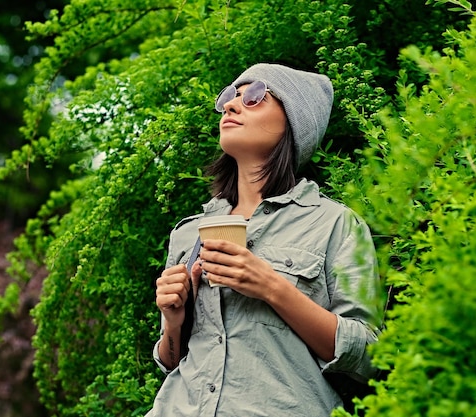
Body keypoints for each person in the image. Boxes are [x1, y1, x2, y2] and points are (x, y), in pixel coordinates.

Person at [146, 63, 384, 416]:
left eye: (256, 96)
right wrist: (173, 321)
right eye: (230, 96)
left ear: (294, 120)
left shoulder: (336, 225)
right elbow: (171, 360)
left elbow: (370, 356)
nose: (231, 105)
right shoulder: (188, 232)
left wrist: (271, 286)